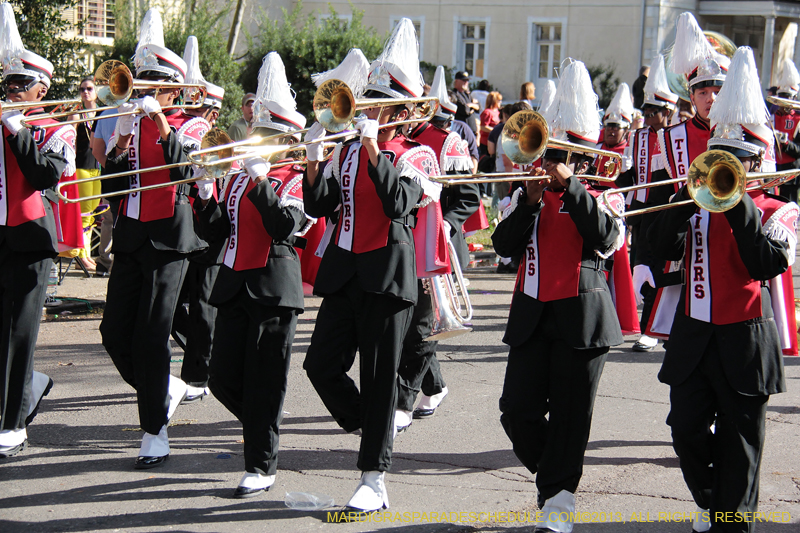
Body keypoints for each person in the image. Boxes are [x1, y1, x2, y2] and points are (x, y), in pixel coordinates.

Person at [648, 46, 798, 533]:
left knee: (741, 447)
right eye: (721, 160)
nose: (726, 170)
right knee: (685, 431)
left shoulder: (780, 211)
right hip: (694, 336)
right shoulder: (697, 203)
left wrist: (736, 204)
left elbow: (766, 262)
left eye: (737, 162)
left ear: (756, 162)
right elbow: (656, 247)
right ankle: (713, 502)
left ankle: (732, 520)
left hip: (747, 340)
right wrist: (677, 204)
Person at [302, 19, 436, 513]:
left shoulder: (417, 153)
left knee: (381, 377)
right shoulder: (347, 152)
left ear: (400, 111)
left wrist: (377, 149)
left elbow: (401, 202)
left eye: (379, 102)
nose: (367, 109)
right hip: (343, 271)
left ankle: (373, 477)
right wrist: (314, 160)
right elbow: (320, 206)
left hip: (387, 276)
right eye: (368, 99)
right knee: (319, 366)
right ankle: (374, 428)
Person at [492, 59, 625, 533]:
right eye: (549, 155)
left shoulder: (605, 192)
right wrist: (528, 202)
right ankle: (556, 482)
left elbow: (607, 239)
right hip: (531, 316)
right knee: (517, 412)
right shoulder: (526, 193)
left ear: (582, 159)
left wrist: (571, 187)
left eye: (561, 157)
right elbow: (502, 247)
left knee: (571, 417)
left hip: (581, 318)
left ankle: (558, 499)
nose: (549, 164)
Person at [99, 8, 207, 469]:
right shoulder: (129, 121)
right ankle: (162, 388)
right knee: (113, 334)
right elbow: (110, 190)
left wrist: (162, 125)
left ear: (170, 87)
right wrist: (119, 146)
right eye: (138, 81)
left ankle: (154, 430)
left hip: (170, 241)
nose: (141, 90)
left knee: (152, 336)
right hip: (130, 238)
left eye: (150, 83)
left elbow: (188, 175)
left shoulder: (191, 124)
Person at [199, 51, 309, 498]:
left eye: (266, 134)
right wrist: (206, 191)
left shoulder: (295, 178)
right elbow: (214, 232)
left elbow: (285, 228)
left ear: (285, 139)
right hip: (233, 284)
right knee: (223, 377)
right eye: (255, 131)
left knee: (265, 381)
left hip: (273, 288)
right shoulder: (240, 177)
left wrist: (262, 181)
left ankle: (261, 464)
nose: (255, 139)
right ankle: (265, 431)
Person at [0, 3, 70, 458]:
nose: (8, 90)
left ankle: (13, 425)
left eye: (17, 85)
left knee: (22, 332)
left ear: (39, 88)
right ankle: (29, 390)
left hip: (31, 236)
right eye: (6, 83)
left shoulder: (55, 127)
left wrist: (18, 130)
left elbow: (47, 176)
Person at [396, 65, 478, 430]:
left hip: (438, 244)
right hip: (405, 245)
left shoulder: (447, 141)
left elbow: (469, 197)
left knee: (422, 326)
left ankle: (402, 402)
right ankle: (435, 385)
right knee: (413, 324)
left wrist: (444, 223)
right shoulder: (394, 141)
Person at [643, 12, 730, 344]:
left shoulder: (745, 137)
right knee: (685, 339)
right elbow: (653, 203)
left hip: (730, 244)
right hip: (683, 247)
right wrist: (643, 262)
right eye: (703, 91)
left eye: (717, 90)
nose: (711, 98)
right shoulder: (669, 139)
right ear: (690, 96)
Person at [169, 36, 226, 404]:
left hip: (209, 228)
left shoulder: (216, 136)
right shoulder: (179, 129)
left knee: (204, 304)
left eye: (206, 107)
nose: (203, 114)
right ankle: (209, 354)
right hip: (179, 228)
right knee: (173, 306)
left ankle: (198, 374)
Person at [614, 54, 677, 352]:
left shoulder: (677, 137)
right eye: (647, 111)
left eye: (654, 112)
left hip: (670, 214)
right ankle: (648, 324)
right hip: (641, 214)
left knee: (663, 270)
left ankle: (656, 325)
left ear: (668, 111)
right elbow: (629, 176)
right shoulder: (637, 138)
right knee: (643, 269)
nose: (649, 116)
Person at [67, 76, 101, 272]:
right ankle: (82, 254)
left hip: (96, 166)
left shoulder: (101, 113)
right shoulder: (76, 114)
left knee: (92, 213)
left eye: (89, 88)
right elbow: (69, 140)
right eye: (82, 89)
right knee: (84, 213)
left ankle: (85, 252)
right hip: (81, 166)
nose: (85, 92)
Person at [770, 24, 800, 203]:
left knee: (789, 205)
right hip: (773, 168)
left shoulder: (798, 119)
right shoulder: (771, 116)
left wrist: (785, 142)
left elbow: (798, 151)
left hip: (791, 170)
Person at [594, 83, 633, 179]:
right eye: (608, 127)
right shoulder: (597, 148)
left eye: (616, 127)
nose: (611, 131)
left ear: (626, 130)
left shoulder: (629, 152)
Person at [453, 71, 479, 135]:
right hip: (462, 132)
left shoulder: (467, 94)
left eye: (467, 80)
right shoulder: (454, 94)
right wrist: (473, 107)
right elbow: (465, 110)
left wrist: (470, 105)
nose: (466, 82)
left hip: (472, 131)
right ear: (456, 81)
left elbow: (478, 107)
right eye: (463, 80)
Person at [478, 91, 502, 156]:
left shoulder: (498, 112)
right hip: (486, 143)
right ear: (494, 101)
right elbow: (483, 127)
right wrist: (495, 131)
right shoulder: (487, 112)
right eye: (499, 100)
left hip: (495, 142)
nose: (500, 102)